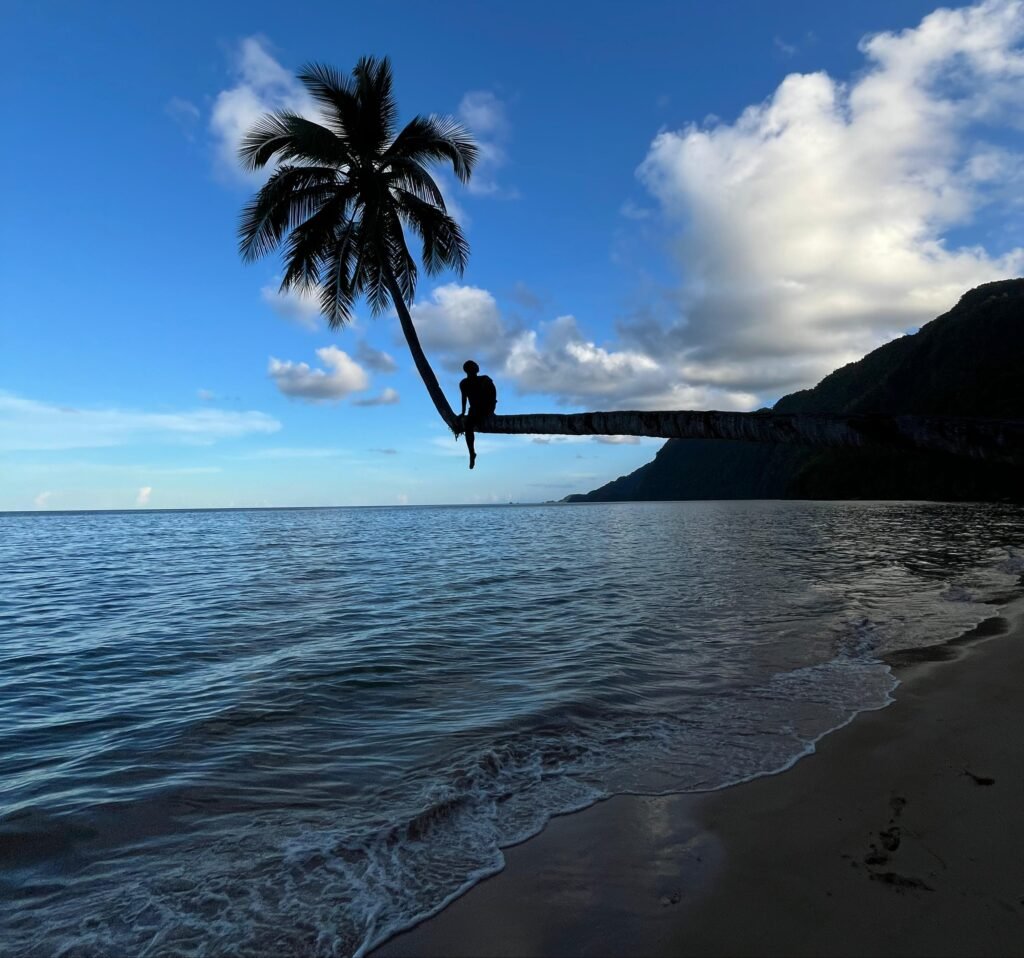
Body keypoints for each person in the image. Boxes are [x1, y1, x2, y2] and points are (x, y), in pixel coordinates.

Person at [458, 360, 497, 469]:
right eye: (475, 365)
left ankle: (472, 453)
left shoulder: (485, 379)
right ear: (471, 369)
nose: (477, 366)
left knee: (469, 427)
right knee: (468, 428)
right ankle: (472, 453)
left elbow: (493, 394)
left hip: (485, 408)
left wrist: (492, 409)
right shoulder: (464, 383)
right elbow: (464, 398)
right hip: (474, 410)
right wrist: (463, 412)